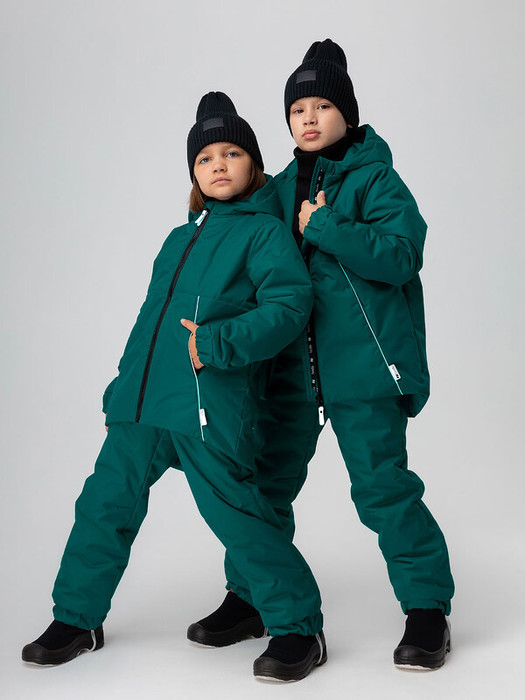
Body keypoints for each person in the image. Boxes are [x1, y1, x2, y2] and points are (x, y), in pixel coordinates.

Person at [21, 92, 327, 682]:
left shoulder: (264, 234)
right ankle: (76, 619)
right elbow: (150, 323)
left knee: (238, 516)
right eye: (205, 157)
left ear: (253, 164)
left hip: (208, 404)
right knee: (103, 506)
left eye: (231, 153)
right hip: (143, 405)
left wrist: (217, 342)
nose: (218, 165)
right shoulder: (177, 238)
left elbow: (290, 306)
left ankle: (298, 627)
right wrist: (122, 386)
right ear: (193, 173)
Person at [191, 40, 455, 670]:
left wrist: (329, 227)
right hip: (290, 373)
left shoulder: (375, 179)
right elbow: (241, 249)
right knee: (264, 486)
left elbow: (402, 255)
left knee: (383, 490)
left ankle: (427, 611)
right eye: (296, 109)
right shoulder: (278, 189)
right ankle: (249, 596)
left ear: (347, 113)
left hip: (364, 369)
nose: (307, 118)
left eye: (322, 106)